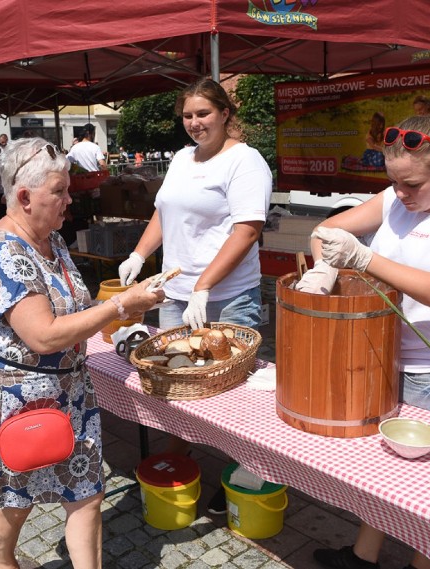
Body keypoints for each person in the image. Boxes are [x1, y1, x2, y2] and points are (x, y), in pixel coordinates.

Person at [297, 108, 430, 569]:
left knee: (428, 481)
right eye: (394, 182)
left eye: (412, 185)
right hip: (383, 355)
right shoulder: (393, 198)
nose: (400, 193)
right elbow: (325, 233)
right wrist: (324, 269)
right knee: (388, 471)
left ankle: (424, 564)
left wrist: (364, 260)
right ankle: (364, 557)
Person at [0, 137, 163, 569]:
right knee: (17, 498)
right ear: (24, 197)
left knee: (87, 493)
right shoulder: (6, 252)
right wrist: (118, 307)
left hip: (71, 391)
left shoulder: (50, 239)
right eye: (59, 191)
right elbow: (43, 336)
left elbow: (72, 309)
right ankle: (4, 561)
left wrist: (125, 303)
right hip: (20, 399)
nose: (69, 200)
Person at [117, 77, 272, 514]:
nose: (195, 123)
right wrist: (138, 253)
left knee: (229, 392)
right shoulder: (182, 159)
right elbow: (164, 213)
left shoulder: (245, 161)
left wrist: (205, 285)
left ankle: (242, 469)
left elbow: (247, 229)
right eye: (188, 116)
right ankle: (180, 456)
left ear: (225, 114)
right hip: (176, 294)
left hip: (227, 297)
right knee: (180, 385)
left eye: (203, 113)